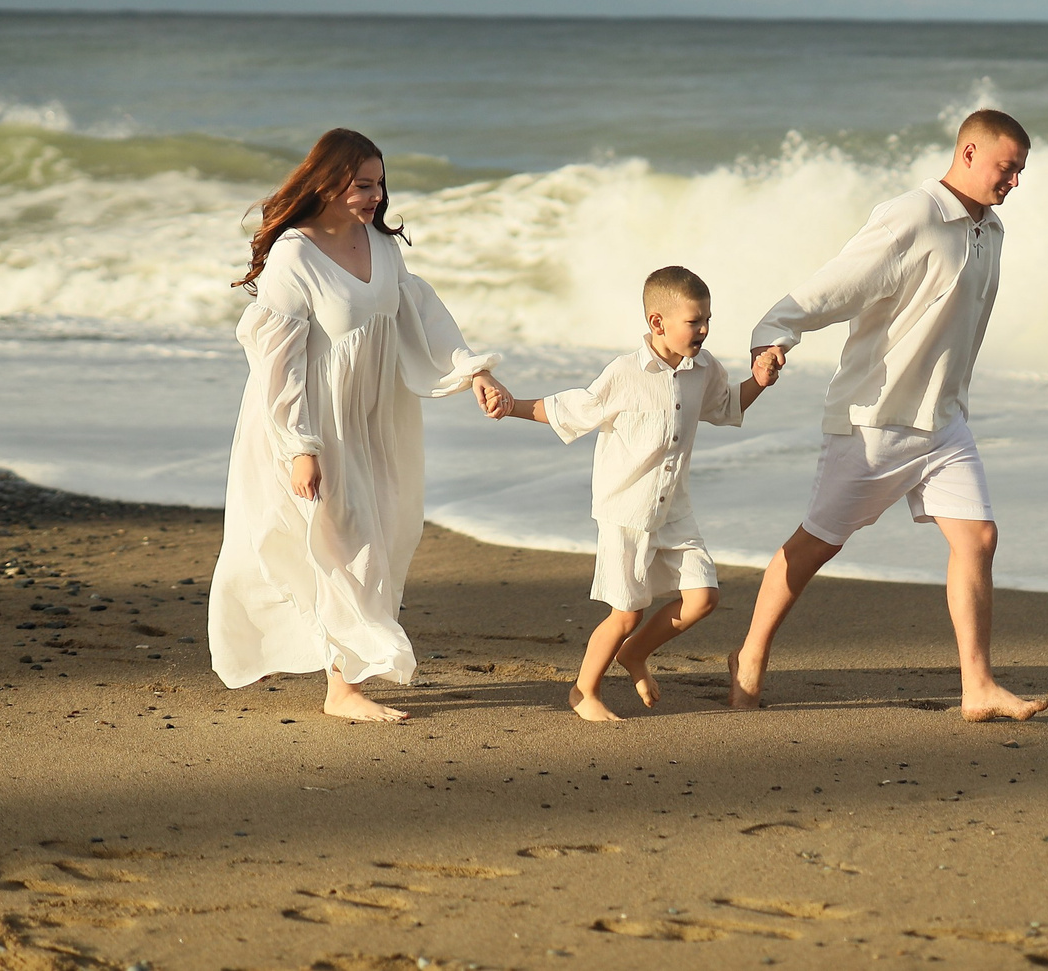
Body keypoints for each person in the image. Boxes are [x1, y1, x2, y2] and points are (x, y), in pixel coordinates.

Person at [729, 108, 1044, 722]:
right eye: (1007, 169)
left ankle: (977, 687)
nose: (1013, 183)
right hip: (876, 419)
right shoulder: (913, 216)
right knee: (816, 545)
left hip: (945, 421)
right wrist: (775, 333)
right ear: (970, 153)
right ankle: (749, 656)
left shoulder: (992, 230)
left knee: (979, 537)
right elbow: (836, 284)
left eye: (1021, 172)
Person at [208, 127, 508, 722]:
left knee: (386, 533)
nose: (375, 196)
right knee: (343, 545)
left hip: (378, 418)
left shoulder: (382, 246)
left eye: (379, 184)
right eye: (363, 185)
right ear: (326, 182)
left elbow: (419, 315)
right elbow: (276, 363)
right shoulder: (295, 255)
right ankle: (340, 687)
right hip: (314, 423)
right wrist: (299, 446)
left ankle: (345, 666)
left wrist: (473, 371)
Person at [478, 266, 784, 721]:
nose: (703, 329)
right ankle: (584, 691)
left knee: (703, 598)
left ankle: (634, 655)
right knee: (626, 613)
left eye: (707, 320)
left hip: (674, 507)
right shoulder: (624, 373)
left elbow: (726, 407)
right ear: (658, 323)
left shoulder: (705, 369)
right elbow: (571, 409)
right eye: (693, 321)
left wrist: (759, 380)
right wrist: (511, 405)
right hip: (627, 510)